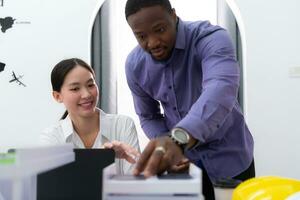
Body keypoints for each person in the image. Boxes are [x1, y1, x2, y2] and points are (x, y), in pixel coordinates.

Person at [124, 0, 255, 199]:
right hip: (184, 169)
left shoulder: (211, 37)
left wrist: (177, 140)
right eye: (141, 36)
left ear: (174, 16)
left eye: (159, 29)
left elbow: (220, 88)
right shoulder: (134, 65)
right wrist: (167, 147)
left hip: (231, 158)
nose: (153, 43)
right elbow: (149, 116)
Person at [40, 58, 140, 175]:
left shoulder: (123, 125)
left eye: (90, 85)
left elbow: (135, 179)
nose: (87, 94)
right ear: (57, 96)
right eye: (75, 88)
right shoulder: (52, 137)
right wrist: (98, 159)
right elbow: (54, 187)